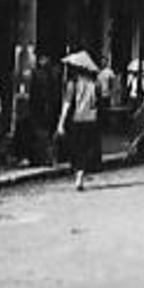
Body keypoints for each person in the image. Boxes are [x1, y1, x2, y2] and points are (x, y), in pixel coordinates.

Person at [57, 51, 102, 191]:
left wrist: (61, 123)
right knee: (85, 147)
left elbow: (67, 104)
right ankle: (81, 174)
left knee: (76, 148)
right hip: (91, 119)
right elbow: (98, 103)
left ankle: (79, 174)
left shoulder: (73, 83)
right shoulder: (95, 84)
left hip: (77, 118)